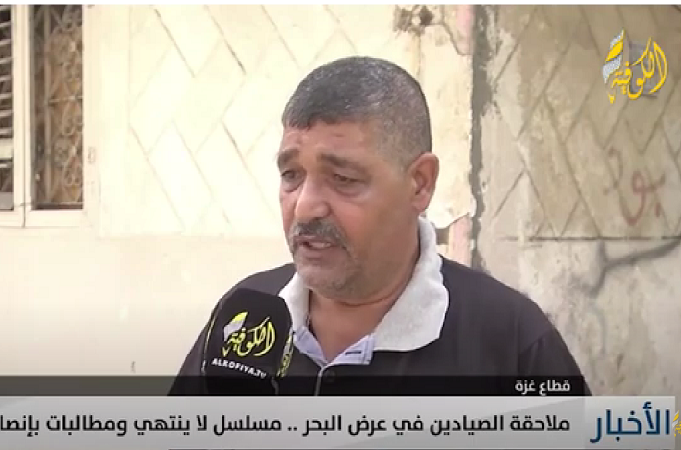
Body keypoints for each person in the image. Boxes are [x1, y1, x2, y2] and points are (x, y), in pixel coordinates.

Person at [173, 56, 590, 394]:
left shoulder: (511, 342)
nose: (305, 207)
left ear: (419, 183)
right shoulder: (245, 317)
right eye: (291, 175)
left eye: (343, 179)